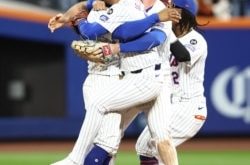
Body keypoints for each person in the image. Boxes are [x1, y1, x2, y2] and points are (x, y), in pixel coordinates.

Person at [48, 0, 183, 165]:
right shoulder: (130, 4)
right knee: (108, 141)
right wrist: (66, 19)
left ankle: (75, 159)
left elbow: (149, 37)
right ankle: (77, 158)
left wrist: (112, 46)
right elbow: (86, 8)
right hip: (127, 78)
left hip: (152, 79)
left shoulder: (159, 9)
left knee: (162, 138)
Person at [135, 0, 208, 164]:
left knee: (151, 147)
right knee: (144, 147)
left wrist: (167, 30)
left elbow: (183, 56)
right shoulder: (163, 36)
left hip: (188, 107)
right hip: (170, 104)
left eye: (171, 8)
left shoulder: (196, 40)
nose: (167, 11)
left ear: (182, 14)